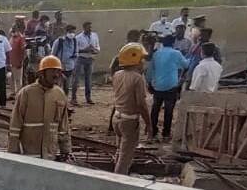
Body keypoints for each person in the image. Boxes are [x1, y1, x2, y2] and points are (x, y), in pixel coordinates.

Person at [8, 55, 72, 160]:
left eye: (58, 71)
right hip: (30, 152)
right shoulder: (26, 93)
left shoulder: (59, 94)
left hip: (50, 153)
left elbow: (63, 126)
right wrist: (13, 150)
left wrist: (66, 150)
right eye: (53, 71)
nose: (57, 75)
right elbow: (15, 123)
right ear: (42, 73)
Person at [110, 43, 152, 175]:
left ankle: (114, 177)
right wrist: (149, 124)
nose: (144, 63)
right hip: (129, 120)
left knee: (120, 151)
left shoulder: (117, 75)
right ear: (136, 60)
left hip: (117, 118)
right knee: (125, 158)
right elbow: (141, 104)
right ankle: (118, 184)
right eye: (142, 59)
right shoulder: (137, 78)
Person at [147, 35, 190, 141]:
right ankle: (166, 133)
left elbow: (150, 70)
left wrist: (149, 83)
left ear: (163, 43)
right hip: (171, 85)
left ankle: (152, 131)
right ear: (173, 42)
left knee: (155, 109)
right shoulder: (176, 53)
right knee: (169, 110)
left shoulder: (156, 54)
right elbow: (186, 65)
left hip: (158, 86)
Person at [51, 24, 79, 105]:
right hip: (59, 68)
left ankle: (64, 104)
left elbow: (76, 53)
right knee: (57, 87)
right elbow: (53, 54)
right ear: (66, 32)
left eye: (73, 32)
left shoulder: (74, 41)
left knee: (66, 88)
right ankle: (56, 103)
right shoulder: (59, 41)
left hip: (70, 67)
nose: (72, 34)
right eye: (70, 32)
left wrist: (73, 62)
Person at [75, 21, 100, 104]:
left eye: (90, 27)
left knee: (88, 79)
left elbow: (98, 48)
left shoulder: (94, 35)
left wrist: (94, 50)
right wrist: (85, 49)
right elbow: (75, 50)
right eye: (88, 27)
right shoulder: (78, 37)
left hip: (90, 58)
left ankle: (88, 98)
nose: (90, 29)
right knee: (76, 78)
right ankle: (74, 98)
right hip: (80, 58)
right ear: (84, 27)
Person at [9, 24, 27, 96]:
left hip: (18, 61)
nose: (13, 29)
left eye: (15, 28)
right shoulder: (12, 37)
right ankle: (13, 93)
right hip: (11, 61)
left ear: (18, 29)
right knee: (10, 78)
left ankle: (18, 95)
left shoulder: (21, 38)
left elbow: (23, 51)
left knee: (18, 80)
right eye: (12, 28)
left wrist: (21, 61)